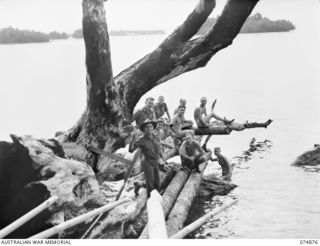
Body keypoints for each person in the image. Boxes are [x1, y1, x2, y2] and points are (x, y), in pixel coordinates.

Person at [129, 119, 165, 197]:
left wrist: (163, 160)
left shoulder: (156, 138)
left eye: (150, 126)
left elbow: (160, 150)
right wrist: (133, 139)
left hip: (156, 161)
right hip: (147, 162)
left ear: (153, 128)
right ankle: (151, 199)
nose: (149, 128)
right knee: (150, 183)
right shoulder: (141, 139)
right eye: (147, 127)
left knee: (157, 182)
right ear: (144, 129)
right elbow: (131, 150)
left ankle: (139, 184)